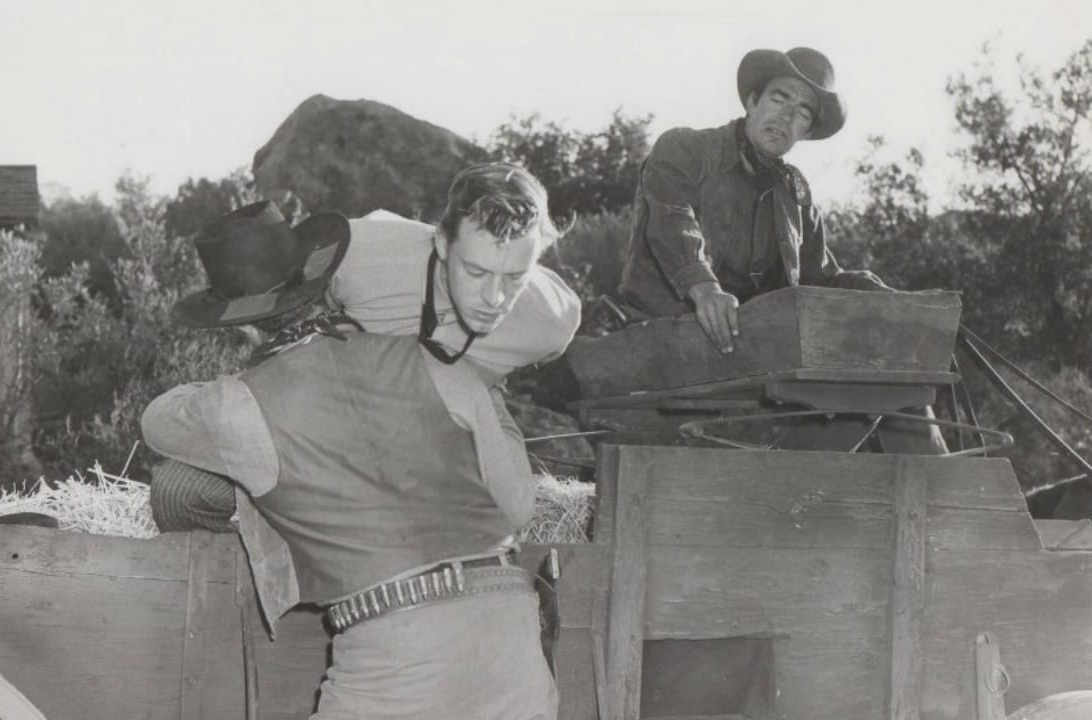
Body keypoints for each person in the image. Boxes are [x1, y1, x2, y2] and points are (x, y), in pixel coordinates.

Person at [143, 197, 561, 718]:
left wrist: (234, 385)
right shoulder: (437, 361)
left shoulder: (236, 407)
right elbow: (518, 509)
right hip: (510, 637)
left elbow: (157, 421)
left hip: (394, 650)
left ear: (245, 327)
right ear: (325, 283)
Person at [618, 46, 889, 354]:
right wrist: (705, 290)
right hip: (656, 335)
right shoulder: (685, 148)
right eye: (779, 99)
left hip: (748, 352)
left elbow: (820, 280)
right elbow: (672, 221)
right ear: (752, 102)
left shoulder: (795, 196)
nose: (786, 116)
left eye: (802, 113)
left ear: (806, 132)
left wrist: (889, 297)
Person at [327, 162, 580, 383]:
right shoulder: (358, 252)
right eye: (476, 272)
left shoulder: (552, 321)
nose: (494, 299)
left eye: (515, 277)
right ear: (443, 244)